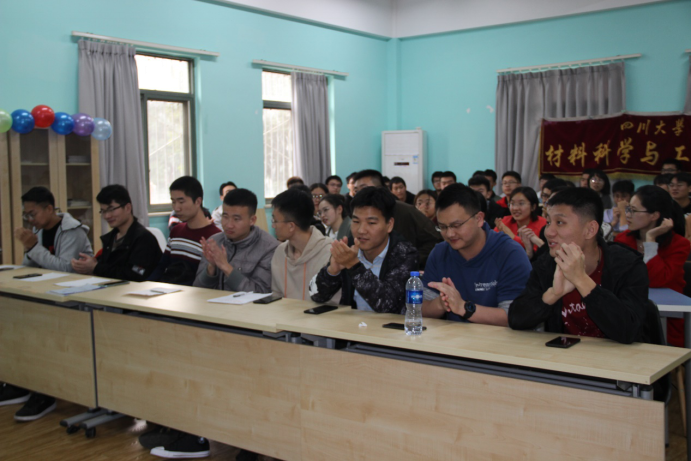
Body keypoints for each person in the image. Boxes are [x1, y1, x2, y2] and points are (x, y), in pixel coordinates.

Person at [509, 188, 651, 344]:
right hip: (565, 356)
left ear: (590, 230)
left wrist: (582, 280)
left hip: (618, 357)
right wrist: (553, 294)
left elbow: (629, 331)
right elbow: (516, 319)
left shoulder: (627, 265)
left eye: (560, 222)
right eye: (548, 222)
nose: (548, 232)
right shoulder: (547, 264)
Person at [421, 184, 531, 326]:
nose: (449, 234)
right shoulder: (440, 253)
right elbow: (420, 309)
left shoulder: (510, 253)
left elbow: (514, 316)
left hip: (498, 340)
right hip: (453, 338)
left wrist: (463, 307)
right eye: (442, 227)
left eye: (456, 225)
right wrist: (441, 303)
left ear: (479, 219)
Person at [310, 187, 418, 312]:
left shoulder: (405, 254)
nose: (361, 230)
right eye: (356, 221)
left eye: (371, 223)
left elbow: (387, 305)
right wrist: (332, 272)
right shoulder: (349, 247)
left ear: (389, 225)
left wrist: (353, 266)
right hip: (352, 323)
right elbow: (317, 296)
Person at [615, 185, 690, 347]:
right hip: (628, 313)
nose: (628, 215)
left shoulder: (679, 244)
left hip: (668, 319)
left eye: (634, 210)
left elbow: (656, 279)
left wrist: (650, 239)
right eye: (628, 209)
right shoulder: (622, 240)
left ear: (654, 215)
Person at [351, 169, 441, 268]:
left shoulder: (404, 210)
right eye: (356, 190)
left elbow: (435, 239)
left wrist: (411, 260)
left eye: (363, 188)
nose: (360, 193)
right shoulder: (356, 213)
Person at [193, 188, 278, 293]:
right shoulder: (215, 241)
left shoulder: (269, 248)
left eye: (236, 219)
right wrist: (211, 267)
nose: (229, 225)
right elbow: (198, 290)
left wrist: (226, 267)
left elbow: (260, 293)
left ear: (252, 220)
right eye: (225, 217)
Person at [71, 185, 162, 281]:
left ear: (127, 208)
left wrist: (96, 267)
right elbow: (108, 267)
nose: (107, 216)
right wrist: (88, 265)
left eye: (111, 209)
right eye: (103, 211)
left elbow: (135, 275)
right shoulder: (112, 237)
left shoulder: (144, 239)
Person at [149, 177, 221, 285]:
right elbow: (162, 266)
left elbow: (212, 278)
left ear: (198, 201)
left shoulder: (215, 236)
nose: (176, 208)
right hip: (170, 290)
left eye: (181, 202)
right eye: (173, 202)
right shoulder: (176, 231)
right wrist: (147, 286)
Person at [271, 188, 335, 302]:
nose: (273, 226)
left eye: (275, 221)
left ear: (291, 226)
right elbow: (276, 295)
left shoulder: (330, 252)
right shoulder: (280, 252)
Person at [14, 186, 93, 273]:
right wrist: (29, 249)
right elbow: (27, 268)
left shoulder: (72, 230)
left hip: (75, 281)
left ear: (49, 209)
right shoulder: (38, 229)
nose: (30, 219)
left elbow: (66, 269)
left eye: (32, 214)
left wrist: (33, 247)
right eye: (27, 215)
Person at [494, 187, 547, 255]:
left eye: (521, 204)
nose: (515, 208)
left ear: (533, 207)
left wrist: (512, 236)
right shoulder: (505, 221)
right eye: (512, 203)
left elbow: (538, 250)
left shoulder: (543, 224)